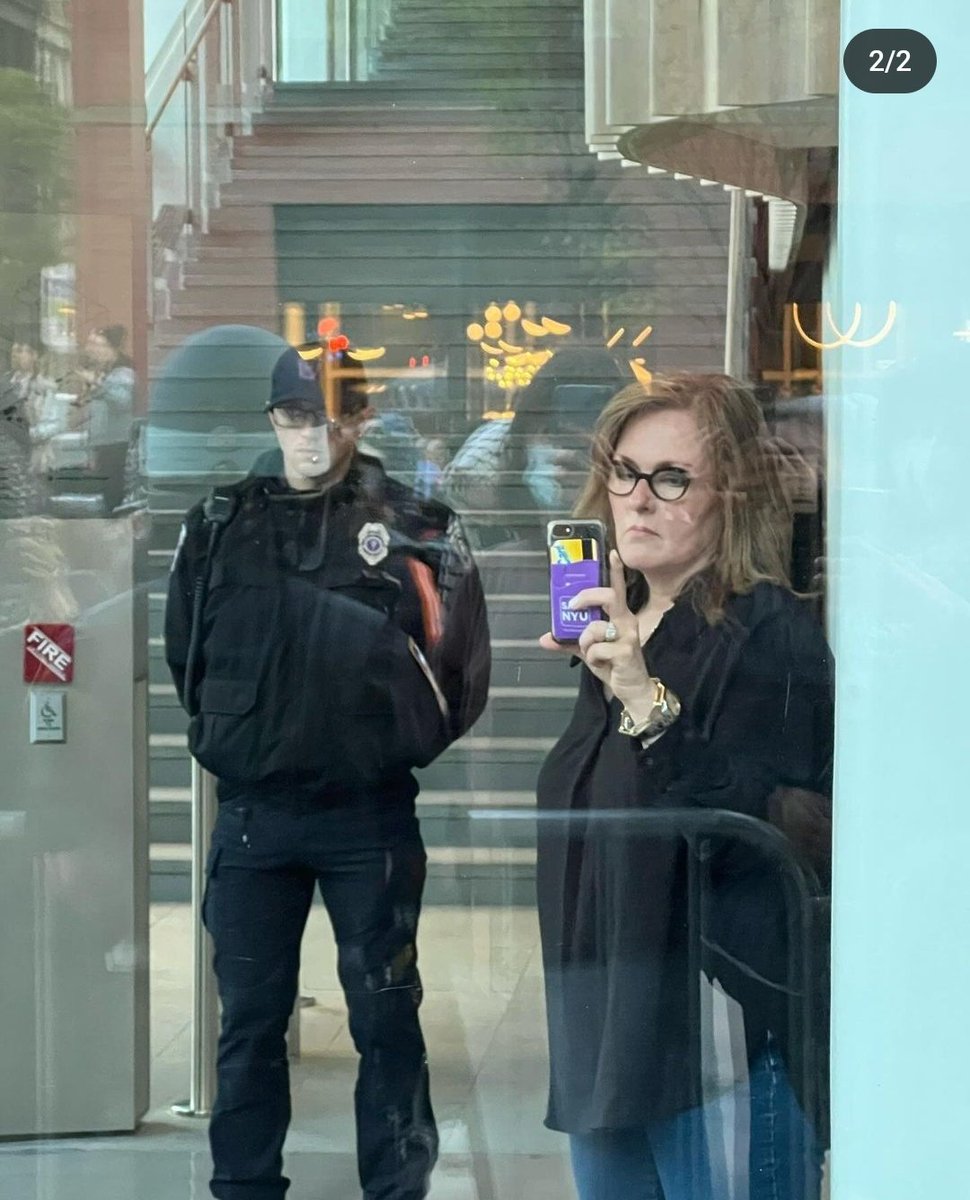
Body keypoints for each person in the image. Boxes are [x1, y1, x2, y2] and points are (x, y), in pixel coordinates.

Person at [164, 344, 491, 1200]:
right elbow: (186, 657)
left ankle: (396, 1191)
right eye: (296, 417)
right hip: (253, 813)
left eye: (333, 417)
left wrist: (388, 742)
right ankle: (242, 1188)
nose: (314, 435)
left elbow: (462, 667)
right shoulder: (219, 522)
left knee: (387, 1019)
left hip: (369, 814)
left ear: (362, 419)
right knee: (249, 1025)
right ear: (273, 421)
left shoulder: (418, 524)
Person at [536, 374, 834, 1200]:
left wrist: (643, 697)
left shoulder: (765, 632)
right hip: (604, 1020)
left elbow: (784, 832)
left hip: (716, 1029)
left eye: (672, 479)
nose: (639, 499)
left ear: (731, 494)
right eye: (626, 472)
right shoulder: (620, 626)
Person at [79, 324, 136, 512]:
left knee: (114, 492)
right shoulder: (105, 372)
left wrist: (97, 385)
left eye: (100, 346)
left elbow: (123, 402)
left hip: (117, 443)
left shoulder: (124, 372)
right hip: (104, 443)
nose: (95, 351)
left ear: (112, 349)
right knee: (106, 492)